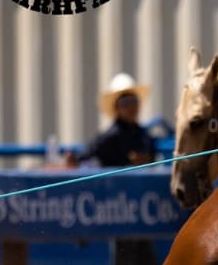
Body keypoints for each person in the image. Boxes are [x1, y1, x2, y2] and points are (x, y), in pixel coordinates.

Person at [66, 72, 157, 265]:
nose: (131, 106)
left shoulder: (144, 135)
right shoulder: (109, 138)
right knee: (125, 254)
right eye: (125, 102)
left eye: (134, 101)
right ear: (117, 107)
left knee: (145, 255)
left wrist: (145, 160)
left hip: (143, 206)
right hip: (120, 207)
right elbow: (84, 158)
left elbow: (153, 158)